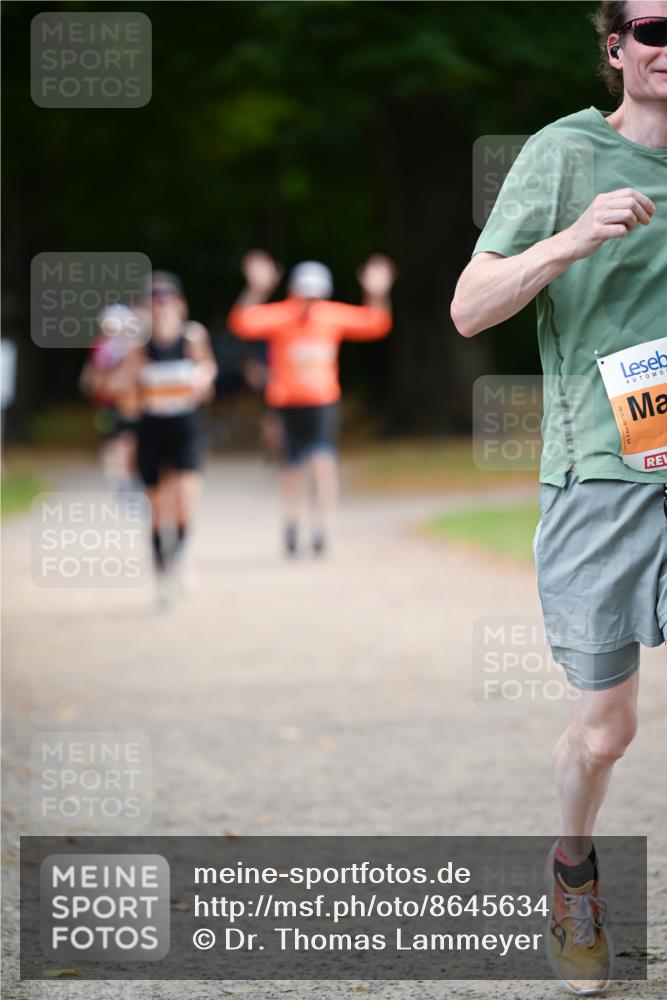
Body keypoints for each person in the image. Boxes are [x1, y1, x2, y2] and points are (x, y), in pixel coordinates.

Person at [451, 2, 667, 994]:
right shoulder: (564, 153)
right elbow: (468, 307)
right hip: (610, 470)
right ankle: (573, 867)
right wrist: (571, 240)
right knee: (604, 730)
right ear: (616, 43)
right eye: (657, 27)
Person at [228, 250, 396, 556]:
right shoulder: (281, 316)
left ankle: (321, 528)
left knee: (323, 463)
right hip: (286, 402)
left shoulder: (330, 315)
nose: (310, 302)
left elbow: (376, 323)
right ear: (294, 292)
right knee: (291, 467)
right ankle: (291, 524)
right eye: (305, 294)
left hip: (322, 401)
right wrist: (257, 289)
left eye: (316, 295)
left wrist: (376, 294)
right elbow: (241, 322)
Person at [111, 272, 218, 604]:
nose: (162, 307)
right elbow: (121, 392)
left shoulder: (192, 337)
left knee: (186, 500)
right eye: (155, 302)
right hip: (152, 431)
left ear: (181, 305)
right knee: (158, 511)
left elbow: (208, 371)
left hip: (185, 428)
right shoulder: (138, 345)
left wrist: (203, 378)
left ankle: (181, 557)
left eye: (168, 300)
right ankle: (161, 575)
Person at [78, 304, 139, 495]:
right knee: (118, 438)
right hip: (111, 400)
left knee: (123, 437)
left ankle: (122, 475)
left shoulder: (118, 344)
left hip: (123, 400)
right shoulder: (107, 346)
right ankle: (118, 475)